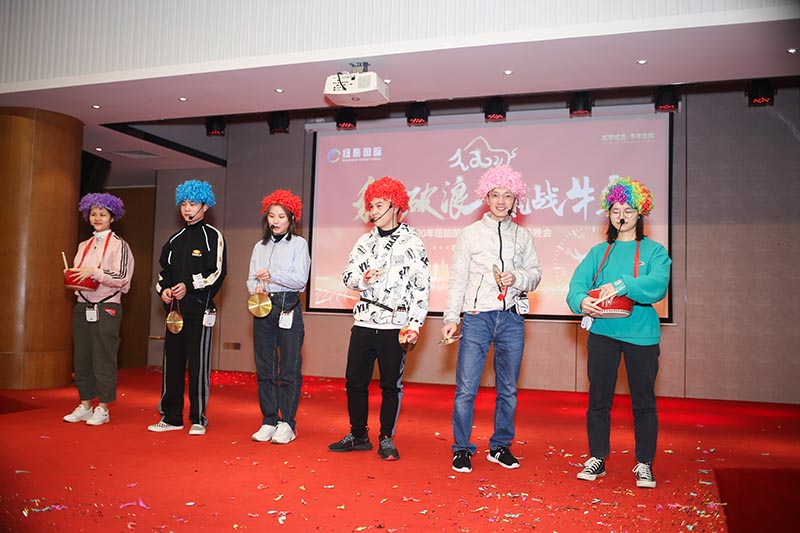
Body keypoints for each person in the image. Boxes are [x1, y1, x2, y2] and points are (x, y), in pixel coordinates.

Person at [566, 176, 671, 489]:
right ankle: (597, 456)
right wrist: (582, 301)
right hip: (603, 333)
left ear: (640, 213)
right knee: (598, 399)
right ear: (608, 214)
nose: (621, 215)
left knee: (643, 402)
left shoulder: (655, 251)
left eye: (628, 210)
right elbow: (576, 286)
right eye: (615, 210)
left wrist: (624, 284)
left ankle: (644, 463)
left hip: (642, 335)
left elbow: (658, 286)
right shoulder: (599, 252)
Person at [442, 165, 542, 474]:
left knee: (508, 389)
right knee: (466, 389)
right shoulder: (470, 234)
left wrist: (518, 277)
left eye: (507, 195)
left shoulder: (523, 236)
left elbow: (536, 274)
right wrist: (451, 317)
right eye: (495, 194)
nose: (501, 201)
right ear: (486, 197)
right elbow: (458, 278)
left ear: (516, 199)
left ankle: (500, 446)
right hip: (476, 318)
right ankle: (461, 448)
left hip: (511, 318)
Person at [328, 176, 430, 461]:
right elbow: (347, 277)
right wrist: (363, 279)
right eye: (371, 206)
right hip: (363, 322)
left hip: (395, 325)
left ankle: (386, 437)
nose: (373, 211)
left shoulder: (412, 242)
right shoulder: (364, 241)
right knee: (355, 382)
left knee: (390, 385)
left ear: (396, 205)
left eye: (379, 205)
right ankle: (358, 434)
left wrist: (415, 324)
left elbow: (421, 287)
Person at [148, 179, 226, 436]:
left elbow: (217, 273)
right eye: (183, 204)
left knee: (198, 366)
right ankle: (171, 417)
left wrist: (189, 286)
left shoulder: (213, 237)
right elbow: (164, 273)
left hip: (200, 312)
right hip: (175, 313)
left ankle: (198, 418)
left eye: (193, 203)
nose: (187, 209)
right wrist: (164, 290)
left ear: (205, 206)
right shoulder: (174, 240)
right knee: (172, 364)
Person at [63, 193, 134, 426]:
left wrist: (95, 272)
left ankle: (103, 408)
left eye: (102, 214)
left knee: (104, 357)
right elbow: (80, 275)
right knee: (81, 357)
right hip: (82, 304)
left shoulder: (120, 245)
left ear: (112, 217)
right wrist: (72, 276)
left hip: (107, 306)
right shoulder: (83, 245)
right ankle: (85, 404)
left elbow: (122, 278)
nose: (97, 218)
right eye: (93, 213)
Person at [247, 190, 311, 444]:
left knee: (289, 368)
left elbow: (300, 281)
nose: (275, 221)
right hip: (263, 307)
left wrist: (273, 275)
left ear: (291, 218)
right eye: (271, 216)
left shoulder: (299, 244)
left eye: (281, 216)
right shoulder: (259, 246)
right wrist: (256, 287)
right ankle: (269, 419)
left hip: (288, 305)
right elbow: (250, 279)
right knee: (265, 368)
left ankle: (287, 423)